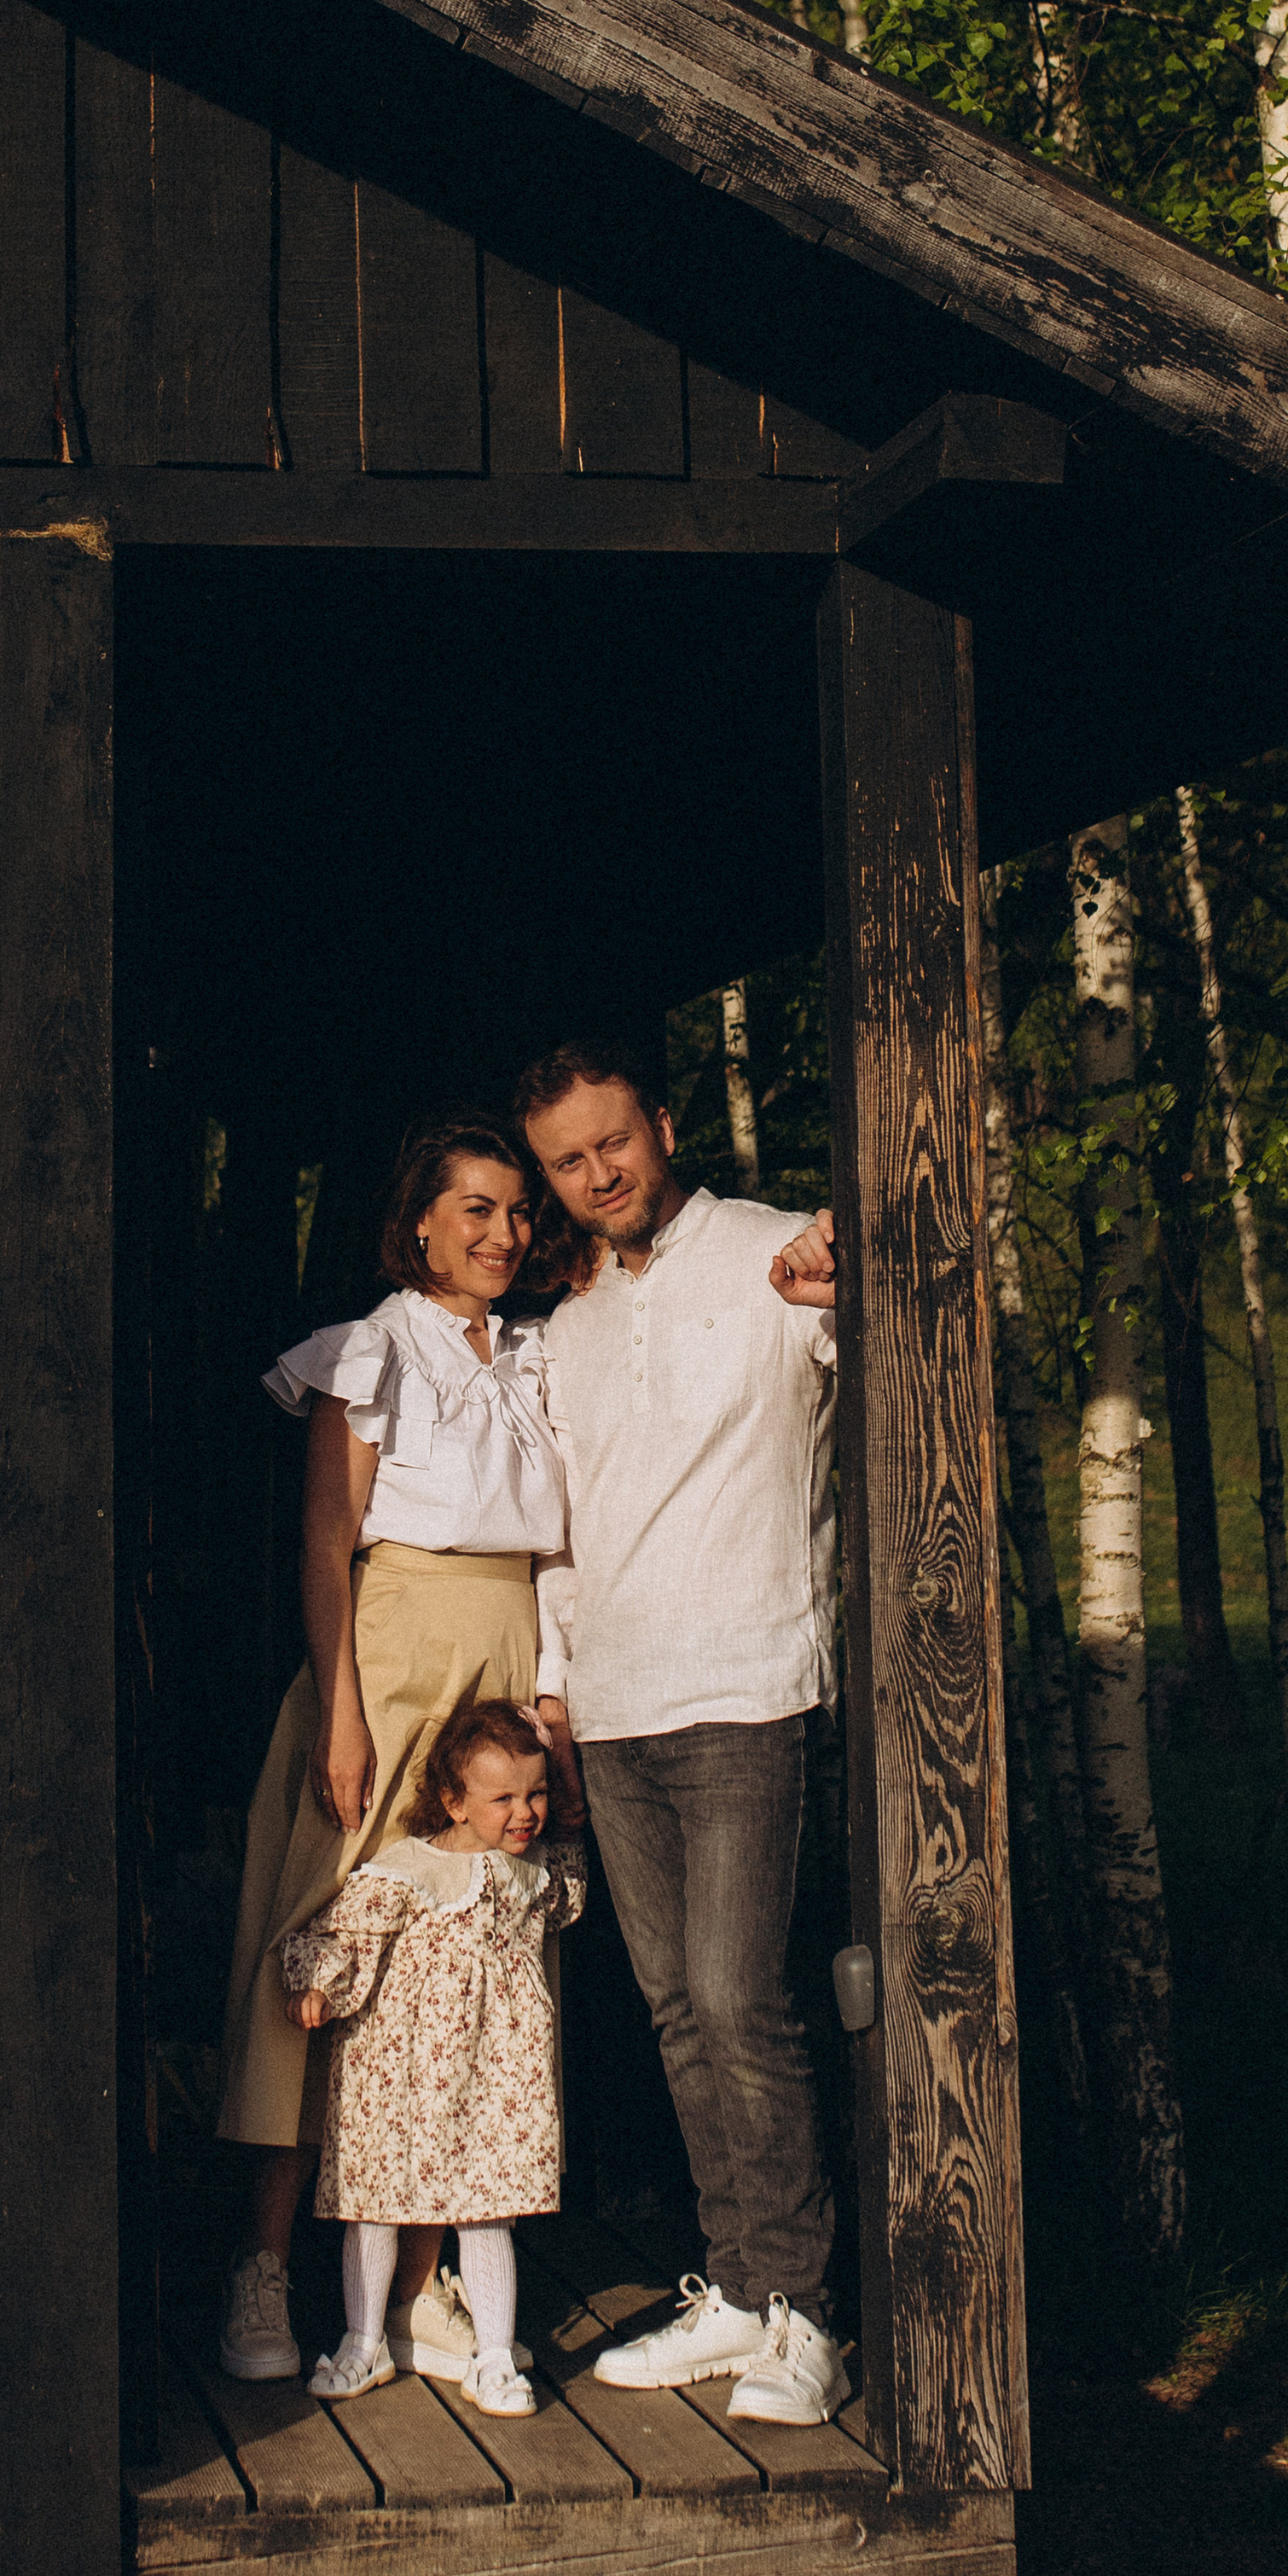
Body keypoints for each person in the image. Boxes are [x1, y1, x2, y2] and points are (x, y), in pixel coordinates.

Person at [518, 1036, 847, 2428]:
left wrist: (859, 1272)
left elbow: (903, 1323)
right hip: (616, 1708)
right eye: (567, 1163)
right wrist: (555, 1685)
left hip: (749, 1687)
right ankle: (734, 2286)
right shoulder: (565, 1319)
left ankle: (809, 2313)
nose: (599, 1176)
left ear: (664, 1124)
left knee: (736, 1999)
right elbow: (558, 1535)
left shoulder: (780, 1258)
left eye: (614, 1143)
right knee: (670, 2010)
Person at [214, 1114, 567, 2389]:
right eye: (474, 1207)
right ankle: (258, 2270)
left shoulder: (540, 1356)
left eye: (519, 1211)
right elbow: (326, 1542)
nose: (503, 1232)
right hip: (395, 1652)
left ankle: (417, 2291)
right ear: (421, 1219)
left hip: (506, 1662)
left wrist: (553, 1701)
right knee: (324, 1940)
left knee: (466, 1964)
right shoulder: (371, 1349)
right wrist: (348, 1711)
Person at [282, 1697, 586, 2416]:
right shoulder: (408, 1870)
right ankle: (364, 2341)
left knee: (489, 2211)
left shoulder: (534, 1873)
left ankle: (493, 2355)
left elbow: (570, 1898)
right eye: (503, 1797)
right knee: (375, 2206)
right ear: (453, 1800)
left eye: (535, 1793)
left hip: (493, 2073)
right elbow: (344, 1931)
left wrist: (569, 1802)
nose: (525, 1812)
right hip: (401, 2073)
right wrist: (319, 1984)